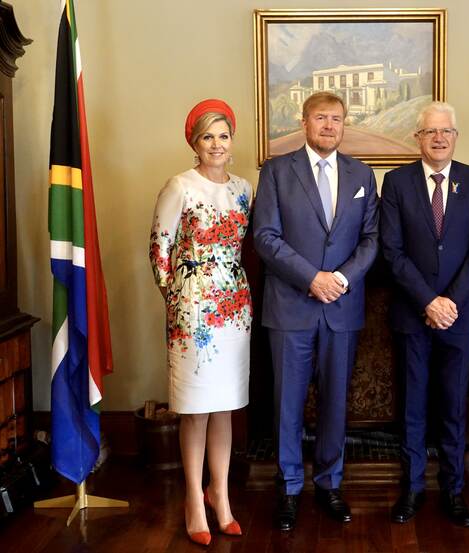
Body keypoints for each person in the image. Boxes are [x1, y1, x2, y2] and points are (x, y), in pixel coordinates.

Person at [252, 91, 379, 531]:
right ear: (304, 122)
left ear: (345, 125)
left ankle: (329, 484)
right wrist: (312, 278)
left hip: (342, 308)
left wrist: (340, 279)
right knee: (286, 404)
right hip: (291, 307)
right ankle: (288, 488)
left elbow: (371, 240)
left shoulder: (362, 174)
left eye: (337, 119)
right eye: (321, 117)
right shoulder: (275, 172)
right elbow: (265, 237)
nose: (329, 125)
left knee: (335, 405)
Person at [380, 101, 469, 527]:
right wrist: (429, 301)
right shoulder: (396, 182)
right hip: (413, 314)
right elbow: (392, 251)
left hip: (460, 317)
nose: (439, 138)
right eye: (431, 132)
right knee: (412, 406)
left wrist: (449, 302)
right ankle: (411, 490)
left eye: (446, 131)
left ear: (456, 136)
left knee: (452, 406)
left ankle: (454, 491)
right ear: (418, 138)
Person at [149, 99, 252, 546]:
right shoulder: (180, 186)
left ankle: (220, 496)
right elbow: (158, 249)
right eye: (207, 136)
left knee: (225, 405)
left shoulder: (244, 188)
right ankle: (194, 499)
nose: (216, 144)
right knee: (194, 408)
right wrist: (178, 302)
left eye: (223, 136)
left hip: (235, 309)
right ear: (195, 142)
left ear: (232, 141)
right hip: (192, 315)